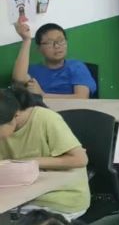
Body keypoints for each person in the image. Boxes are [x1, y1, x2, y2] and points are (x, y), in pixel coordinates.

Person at [0, 86, 90, 218]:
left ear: (16, 115)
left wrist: (28, 162)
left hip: (59, 200)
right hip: (20, 198)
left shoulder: (46, 119)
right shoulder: (6, 126)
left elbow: (80, 159)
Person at [11, 21, 97, 98]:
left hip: (73, 110)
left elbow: (81, 97)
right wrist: (26, 40)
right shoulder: (34, 70)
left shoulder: (76, 67)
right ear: (39, 49)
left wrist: (43, 95)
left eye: (61, 41)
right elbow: (19, 78)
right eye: (49, 43)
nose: (57, 46)